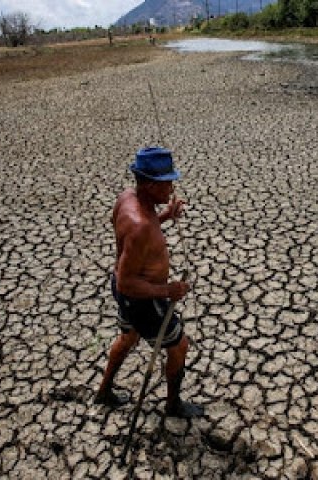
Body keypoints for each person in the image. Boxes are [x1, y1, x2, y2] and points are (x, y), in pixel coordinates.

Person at [95, 146, 204, 418]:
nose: (172, 188)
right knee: (179, 346)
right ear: (147, 183)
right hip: (143, 299)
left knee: (128, 337)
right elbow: (127, 283)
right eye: (166, 183)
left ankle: (104, 391)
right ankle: (173, 405)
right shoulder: (141, 225)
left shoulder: (128, 198)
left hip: (128, 291)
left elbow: (135, 240)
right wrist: (168, 290)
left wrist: (166, 215)